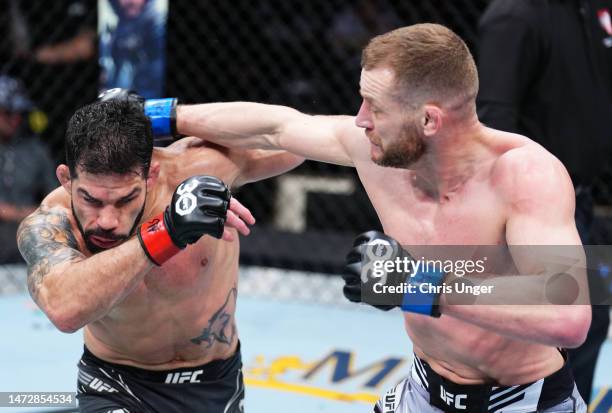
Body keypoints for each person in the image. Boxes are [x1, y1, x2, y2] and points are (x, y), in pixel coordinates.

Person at [158, 23, 593, 412]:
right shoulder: (377, 152)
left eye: (375, 107)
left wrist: (419, 286)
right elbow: (276, 126)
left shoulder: (524, 175)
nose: (361, 120)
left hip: (523, 400)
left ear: (429, 119)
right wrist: (161, 116)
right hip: (424, 391)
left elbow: (569, 316)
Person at [16, 94, 304, 412]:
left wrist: (168, 115)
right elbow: (64, 309)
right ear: (66, 180)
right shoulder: (53, 220)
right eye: (91, 200)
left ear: (149, 176)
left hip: (215, 382)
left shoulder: (196, 171)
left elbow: (294, 138)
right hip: (114, 383)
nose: (107, 221)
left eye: (126, 199)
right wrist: (167, 233)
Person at [476, 0, 612, 404]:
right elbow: (494, 118)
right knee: (545, 329)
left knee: (587, 322)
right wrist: (507, 211)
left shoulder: (586, 11)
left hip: (577, 197)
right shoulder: (516, 15)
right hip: (535, 206)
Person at [0, 75, 56, 263]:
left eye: (19, 113)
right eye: (7, 112)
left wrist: (13, 212)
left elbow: (56, 202)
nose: (15, 119)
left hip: (27, 228)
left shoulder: (36, 151)